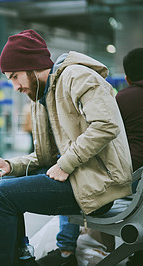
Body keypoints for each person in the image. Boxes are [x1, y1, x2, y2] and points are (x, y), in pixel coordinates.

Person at [0, 29, 132, 266]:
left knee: (0, 196)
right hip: (78, 177)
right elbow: (45, 157)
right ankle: (20, 260)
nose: (15, 86)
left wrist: (65, 163)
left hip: (98, 183)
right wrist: (11, 166)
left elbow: (105, 126)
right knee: (1, 186)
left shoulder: (78, 77)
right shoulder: (42, 96)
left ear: (31, 66)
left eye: (15, 76)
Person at [38, 47, 143, 266]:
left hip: (127, 177)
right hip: (139, 184)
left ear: (127, 78)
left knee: (76, 173)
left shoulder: (122, 99)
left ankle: (66, 249)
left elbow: (102, 133)